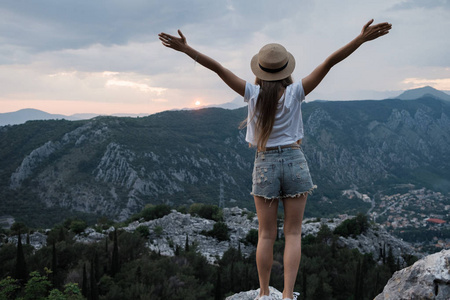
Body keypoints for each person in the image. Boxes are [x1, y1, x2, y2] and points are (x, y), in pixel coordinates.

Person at [159, 19, 392, 300]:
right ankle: (287, 295)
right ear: (286, 69)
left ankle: (264, 293)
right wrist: (361, 39)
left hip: (265, 163)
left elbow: (218, 68)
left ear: (260, 70)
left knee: (266, 234)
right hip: (295, 160)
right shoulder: (296, 92)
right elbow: (330, 62)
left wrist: (186, 49)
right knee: (293, 233)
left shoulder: (253, 94)